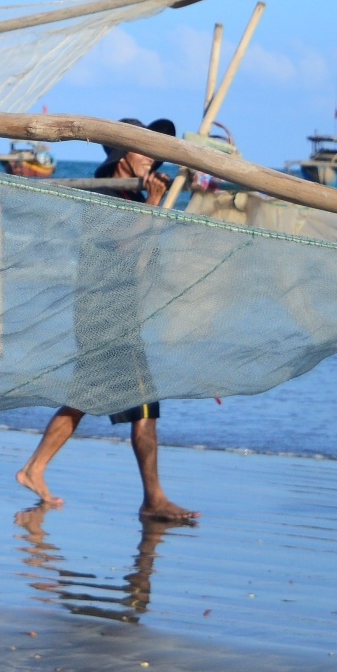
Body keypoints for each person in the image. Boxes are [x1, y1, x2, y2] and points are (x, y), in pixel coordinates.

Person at [14, 117, 198, 524]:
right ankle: (153, 498)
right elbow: (126, 245)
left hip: (114, 313)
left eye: (154, 151)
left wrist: (183, 182)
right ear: (121, 154)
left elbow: (146, 253)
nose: (150, 158)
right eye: (141, 149)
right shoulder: (104, 190)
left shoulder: (135, 186)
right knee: (144, 407)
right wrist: (152, 206)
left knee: (84, 399)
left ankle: (34, 469)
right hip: (105, 316)